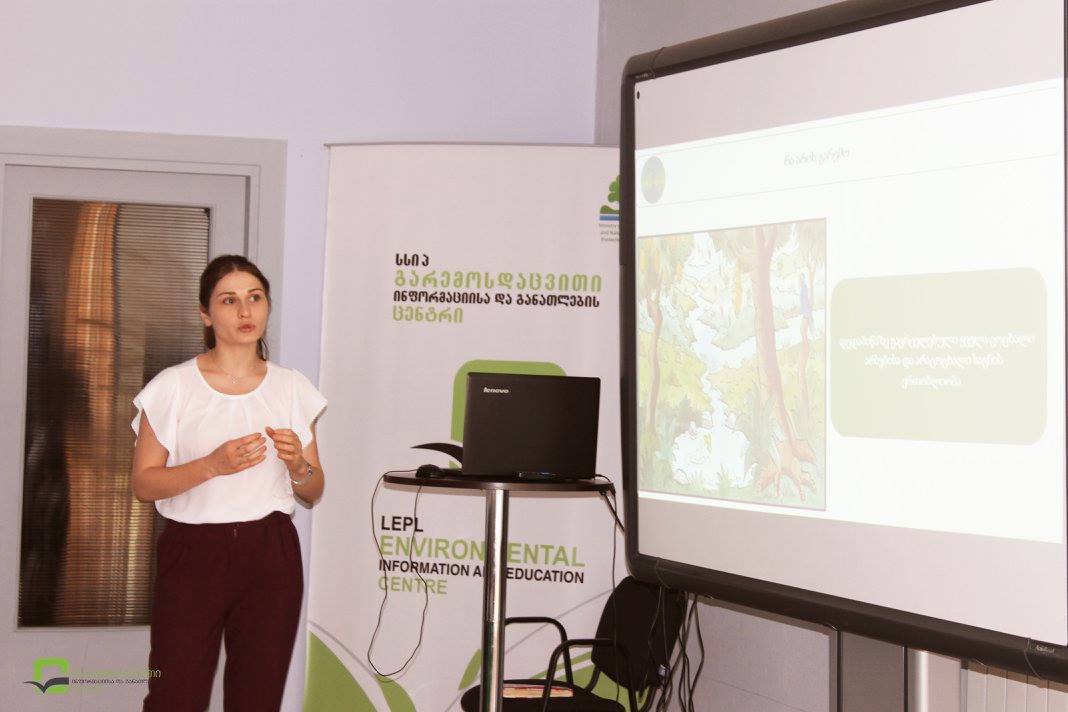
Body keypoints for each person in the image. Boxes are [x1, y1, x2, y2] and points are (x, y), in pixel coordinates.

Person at [130, 254, 328, 711]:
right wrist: (211, 465)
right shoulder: (173, 386)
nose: (244, 311)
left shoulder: (291, 387)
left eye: (255, 298)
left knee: (257, 699)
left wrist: (298, 465)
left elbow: (313, 490)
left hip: (271, 553)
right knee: (174, 697)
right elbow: (144, 483)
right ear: (206, 314)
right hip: (192, 553)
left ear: (267, 306)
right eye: (229, 300)